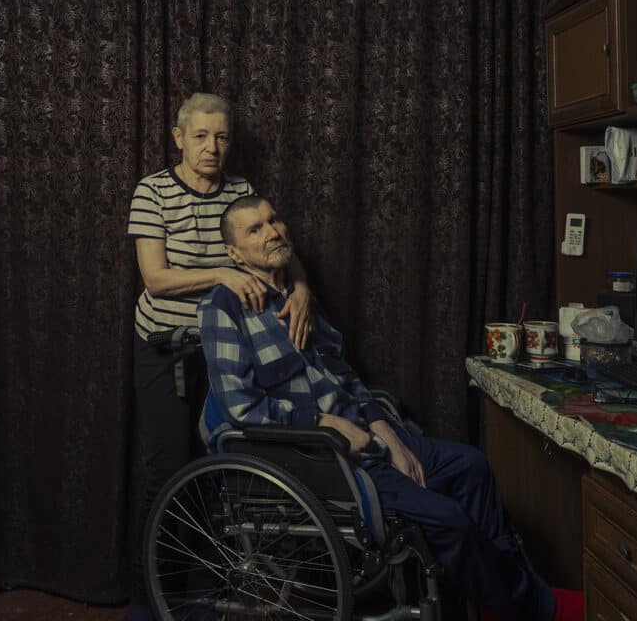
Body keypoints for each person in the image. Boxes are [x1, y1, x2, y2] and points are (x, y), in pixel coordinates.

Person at [197, 195, 584, 621]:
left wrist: (389, 434)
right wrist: (326, 423)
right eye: (255, 229)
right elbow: (240, 406)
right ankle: (535, 607)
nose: (272, 231)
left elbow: (346, 377)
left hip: (367, 437)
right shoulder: (222, 308)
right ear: (234, 254)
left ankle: (502, 594)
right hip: (316, 454)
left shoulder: (298, 296)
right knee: (448, 518)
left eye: (274, 220)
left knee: (472, 467)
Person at [124, 94, 313, 621]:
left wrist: (301, 290)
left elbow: (278, 252)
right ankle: (147, 603)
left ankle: (204, 600)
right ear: (179, 137)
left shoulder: (242, 192)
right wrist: (223, 275)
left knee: (220, 472)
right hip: (164, 350)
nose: (213, 147)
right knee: (167, 475)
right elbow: (156, 279)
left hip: (226, 351)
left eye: (222, 136)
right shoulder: (153, 192)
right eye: (201, 135)